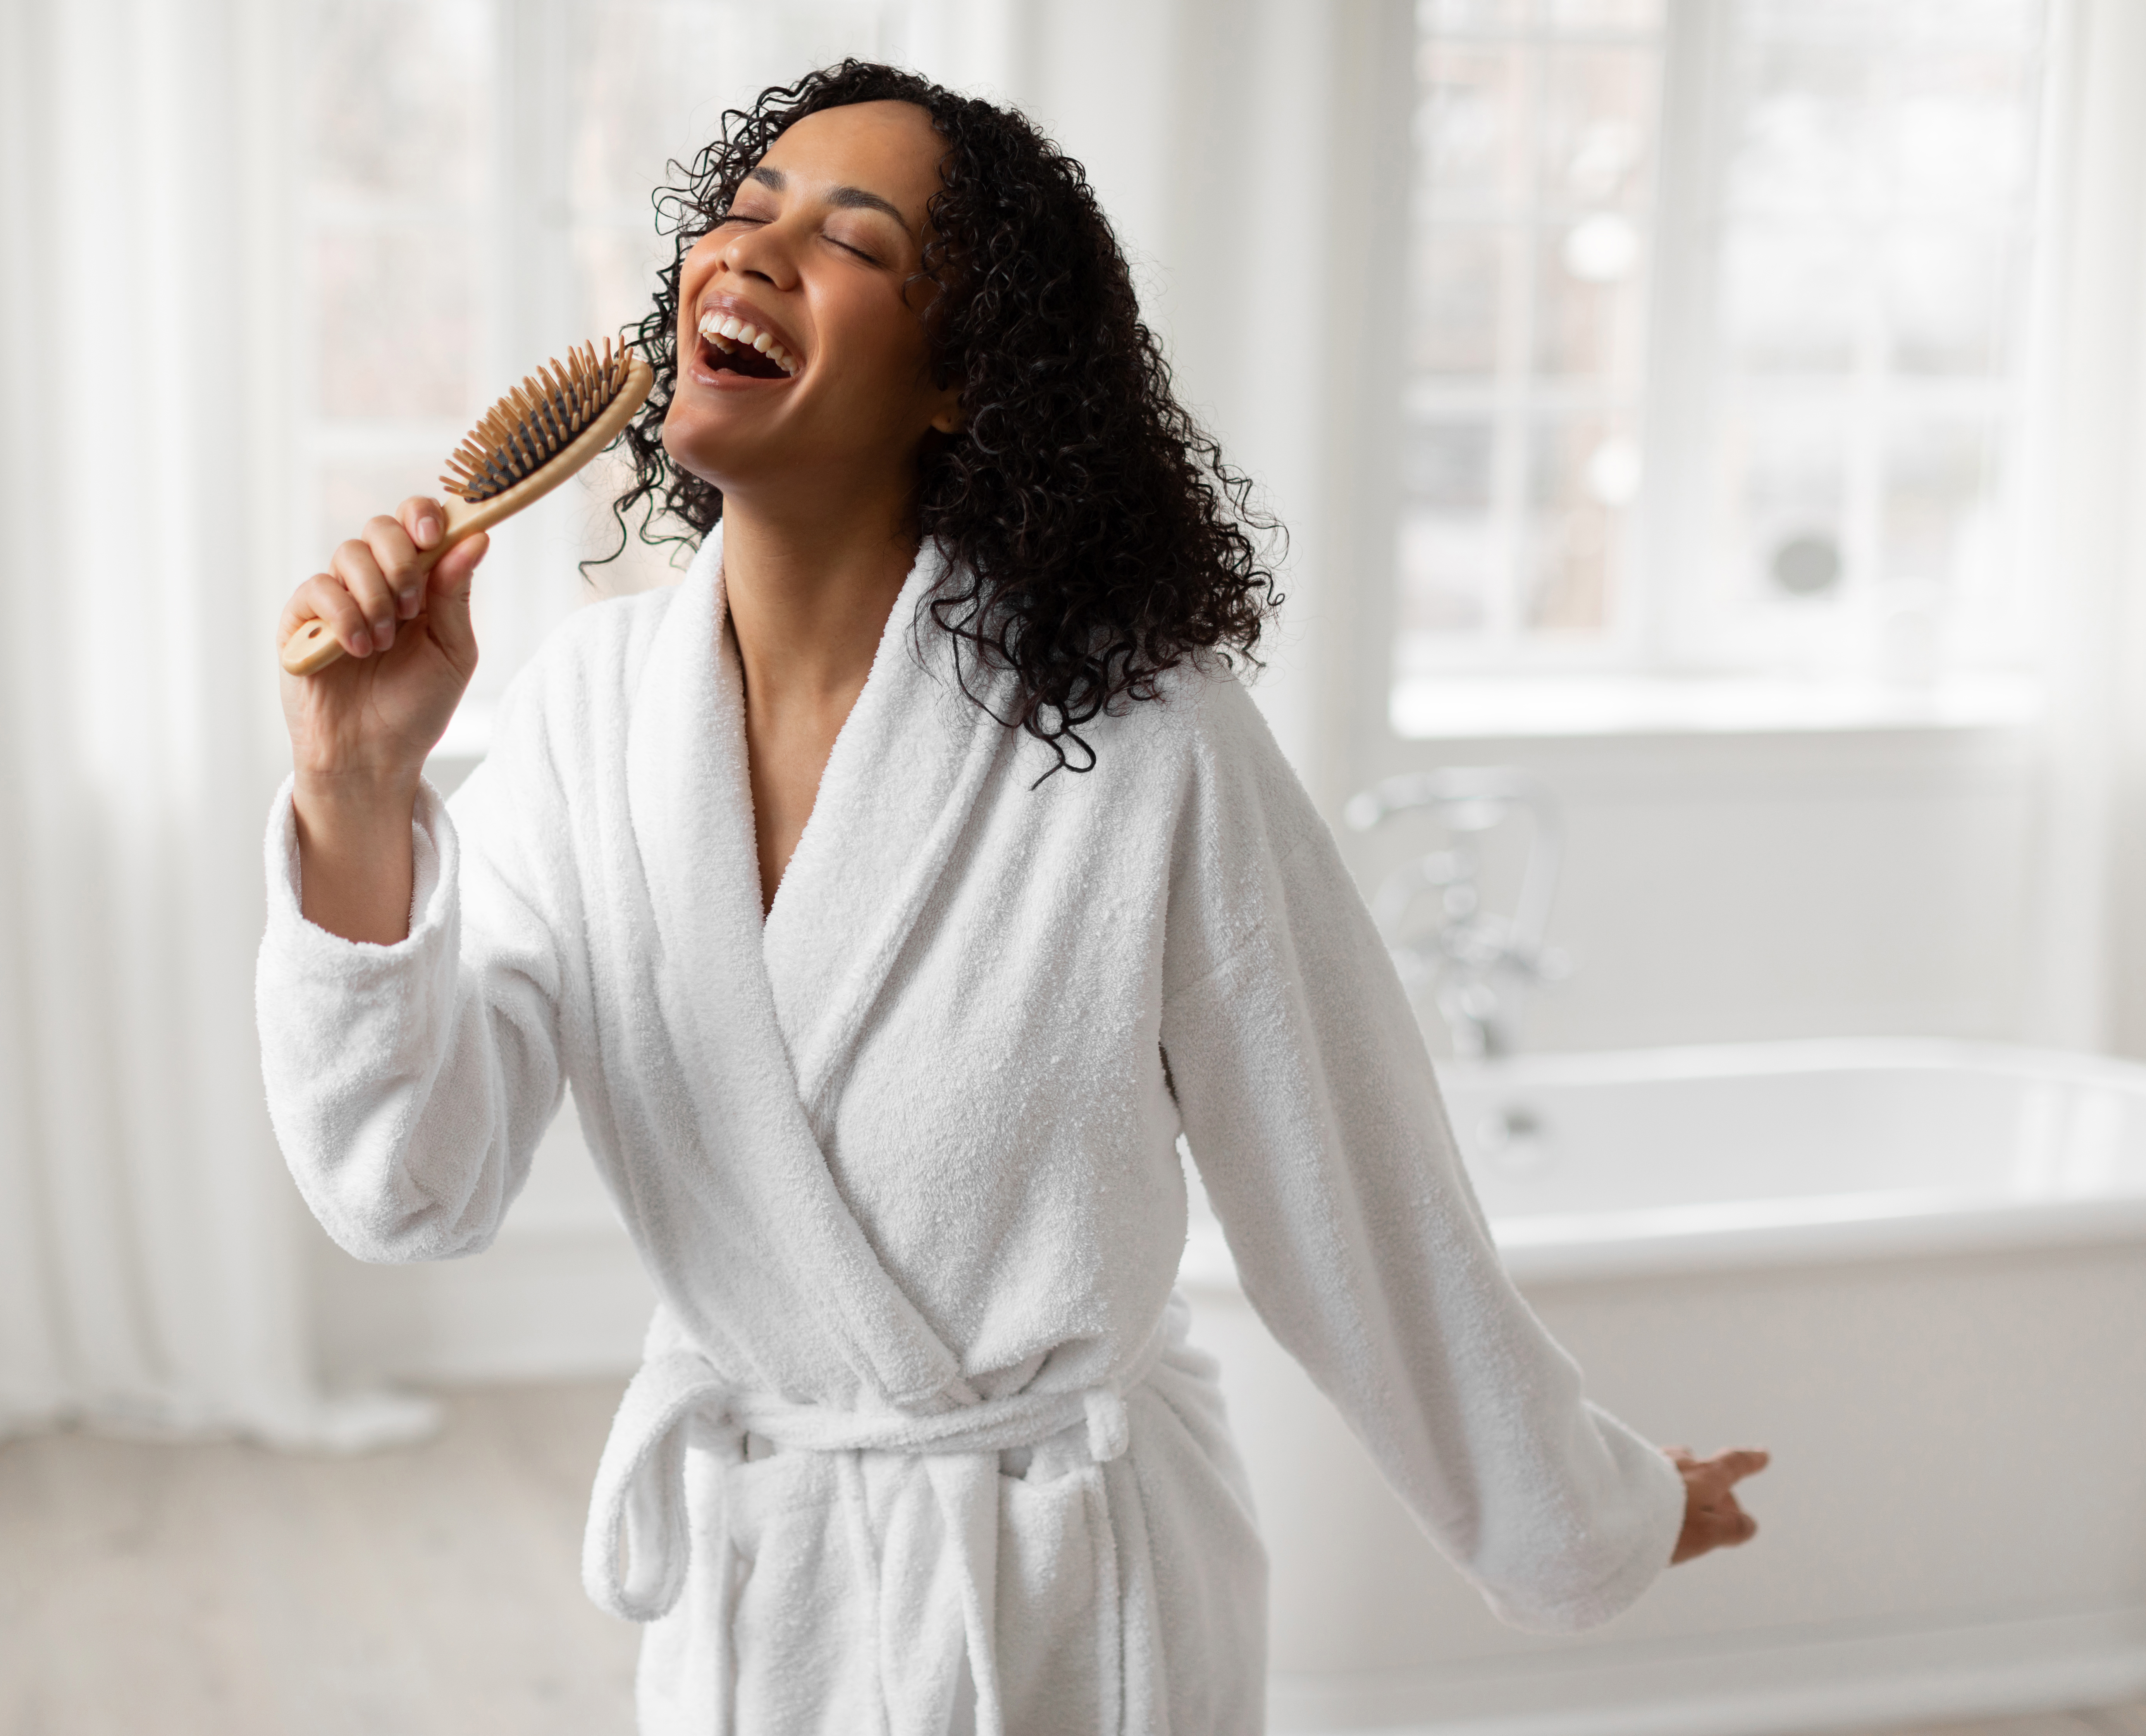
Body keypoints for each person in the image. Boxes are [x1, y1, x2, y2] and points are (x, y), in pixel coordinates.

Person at [259, 60, 1764, 1736]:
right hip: (761, 1604)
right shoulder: (585, 719)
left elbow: (1355, 1190)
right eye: (742, 213)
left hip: (1069, 1607)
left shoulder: (1140, 738)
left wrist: (1591, 1510)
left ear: (963, 380)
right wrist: (355, 788)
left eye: (851, 241)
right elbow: (405, 1187)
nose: (747, 254)